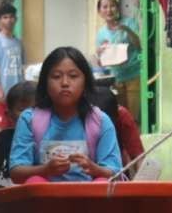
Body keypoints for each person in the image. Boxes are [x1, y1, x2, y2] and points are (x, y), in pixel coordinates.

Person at [9, 47, 122, 183]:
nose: (65, 83)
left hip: (90, 194)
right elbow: (16, 172)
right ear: (45, 83)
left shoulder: (101, 121)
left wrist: (94, 169)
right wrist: (45, 170)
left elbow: (115, 173)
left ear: (85, 81)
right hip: (44, 195)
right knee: (35, 181)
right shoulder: (29, 120)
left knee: (102, 183)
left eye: (73, 76)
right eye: (56, 76)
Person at [94, 0, 143, 115]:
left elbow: (139, 46)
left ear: (117, 8)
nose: (109, 10)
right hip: (116, 79)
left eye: (112, 6)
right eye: (105, 7)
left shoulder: (129, 23)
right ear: (99, 11)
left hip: (134, 75)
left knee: (134, 115)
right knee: (121, 115)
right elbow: (101, 63)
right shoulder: (101, 33)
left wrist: (126, 29)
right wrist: (99, 55)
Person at [0, 2, 24, 133]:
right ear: (0, 20)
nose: (8, 20)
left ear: (16, 19)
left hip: (17, 93)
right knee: (1, 128)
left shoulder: (18, 43)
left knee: (16, 127)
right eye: (5, 17)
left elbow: (22, 67)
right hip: (2, 93)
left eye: (11, 17)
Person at [89, 86, 144, 178]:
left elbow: (138, 157)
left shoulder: (123, 116)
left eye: (108, 123)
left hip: (117, 171)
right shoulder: (80, 115)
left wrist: (141, 183)